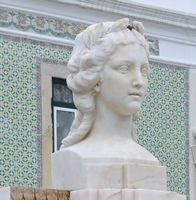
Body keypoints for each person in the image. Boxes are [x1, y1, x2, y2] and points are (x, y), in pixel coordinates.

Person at [57, 18, 158, 164]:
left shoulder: (148, 159)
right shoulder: (74, 158)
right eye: (124, 69)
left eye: (143, 71)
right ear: (95, 78)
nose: (139, 81)